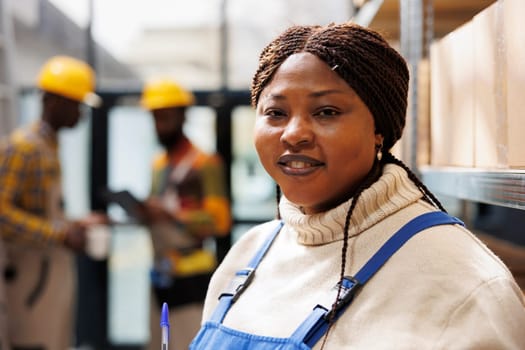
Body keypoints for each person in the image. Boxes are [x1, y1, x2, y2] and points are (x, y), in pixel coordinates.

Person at [190, 22, 525, 349]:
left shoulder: (464, 284)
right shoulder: (248, 255)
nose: (293, 133)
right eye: (276, 113)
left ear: (379, 130)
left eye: (326, 111)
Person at [0, 55, 107, 349]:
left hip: (50, 274)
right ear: (56, 102)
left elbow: (37, 211)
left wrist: (76, 224)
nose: (81, 115)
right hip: (31, 279)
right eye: (78, 105)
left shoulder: (49, 147)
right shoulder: (24, 148)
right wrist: (61, 234)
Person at [139, 78, 231, 350]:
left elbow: (220, 221)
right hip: (161, 271)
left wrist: (173, 215)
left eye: (165, 117)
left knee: (186, 342)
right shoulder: (159, 165)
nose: (160, 125)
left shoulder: (205, 164)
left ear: (182, 116)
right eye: (155, 118)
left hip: (192, 277)